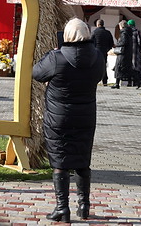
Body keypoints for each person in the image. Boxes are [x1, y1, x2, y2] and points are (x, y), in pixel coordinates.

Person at [32, 18, 104, 221]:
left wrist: (51, 53)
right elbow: (99, 76)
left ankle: (62, 208)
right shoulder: (98, 57)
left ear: (67, 35)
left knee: (60, 161)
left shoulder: (57, 57)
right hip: (86, 117)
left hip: (59, 117)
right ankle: (84, 206)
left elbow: (36, 73)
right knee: (83, 160)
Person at [91, 19, 114, 86]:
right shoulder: (108, 33)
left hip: (96, 52)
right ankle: (105, 81)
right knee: (103, 66)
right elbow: (111, 44)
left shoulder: (94, 32)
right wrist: (107, 49)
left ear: (97, 25)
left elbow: (90, 42)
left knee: (95, 66)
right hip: (104, 52)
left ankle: (94, 81)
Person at [111, 20, 133, 89]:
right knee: (127, 68)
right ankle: (129, 82)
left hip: (122, 53)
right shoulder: (129, 32)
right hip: (128, 53)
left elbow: (123, 42)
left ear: (121, 26)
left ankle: (117, 83)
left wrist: (116, 45)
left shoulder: (124, 33)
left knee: (118, 68)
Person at [127, 19, 141, 89]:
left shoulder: (127, 32)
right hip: (135, 52)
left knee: (129, 67)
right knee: (136, 67)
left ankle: (129, 82)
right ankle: (137, 82)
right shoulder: (136, 31)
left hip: (129, 52)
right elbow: (139, 42)